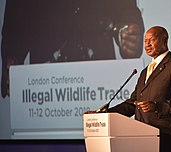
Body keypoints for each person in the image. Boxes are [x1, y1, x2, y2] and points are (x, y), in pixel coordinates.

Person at [1, 0, 144, 98]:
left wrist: (130, 26)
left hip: (99, 76)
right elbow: (17, 11)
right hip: (45, 81)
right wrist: (12, 53)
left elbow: (126, 8)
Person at [103, 26, 171, 152]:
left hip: (170, 140)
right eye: (145, 41)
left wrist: (157, 106)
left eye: (151, 40)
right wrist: (105, 114)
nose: (147, 44)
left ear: (165, 40)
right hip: (145, 138)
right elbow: (133, 103)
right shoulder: (145, 72)